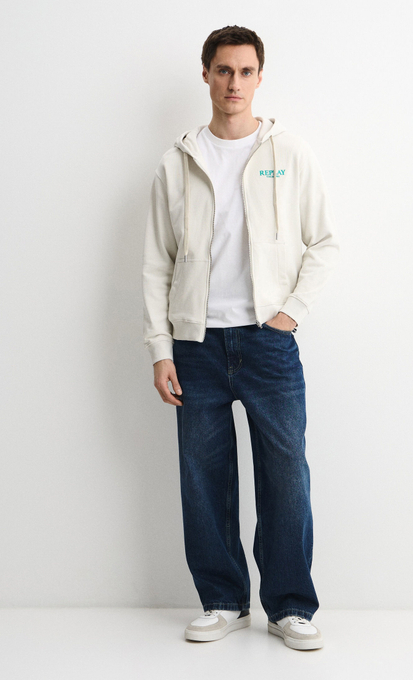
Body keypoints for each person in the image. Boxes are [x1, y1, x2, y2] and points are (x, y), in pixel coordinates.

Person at [142, 25, 340, 650]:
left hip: (267, 343)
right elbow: (156, 263)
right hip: (196, 344)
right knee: (204, 477)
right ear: (206, 74)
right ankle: (223, 600)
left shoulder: (289, 153)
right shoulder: (177, 162)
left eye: (245, 71)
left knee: (286, 477)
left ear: (259, 77)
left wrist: (289, 314)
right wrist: (161, 347)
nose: (234, 83)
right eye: (223, 70)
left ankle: (290, 605)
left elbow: (324, 243)